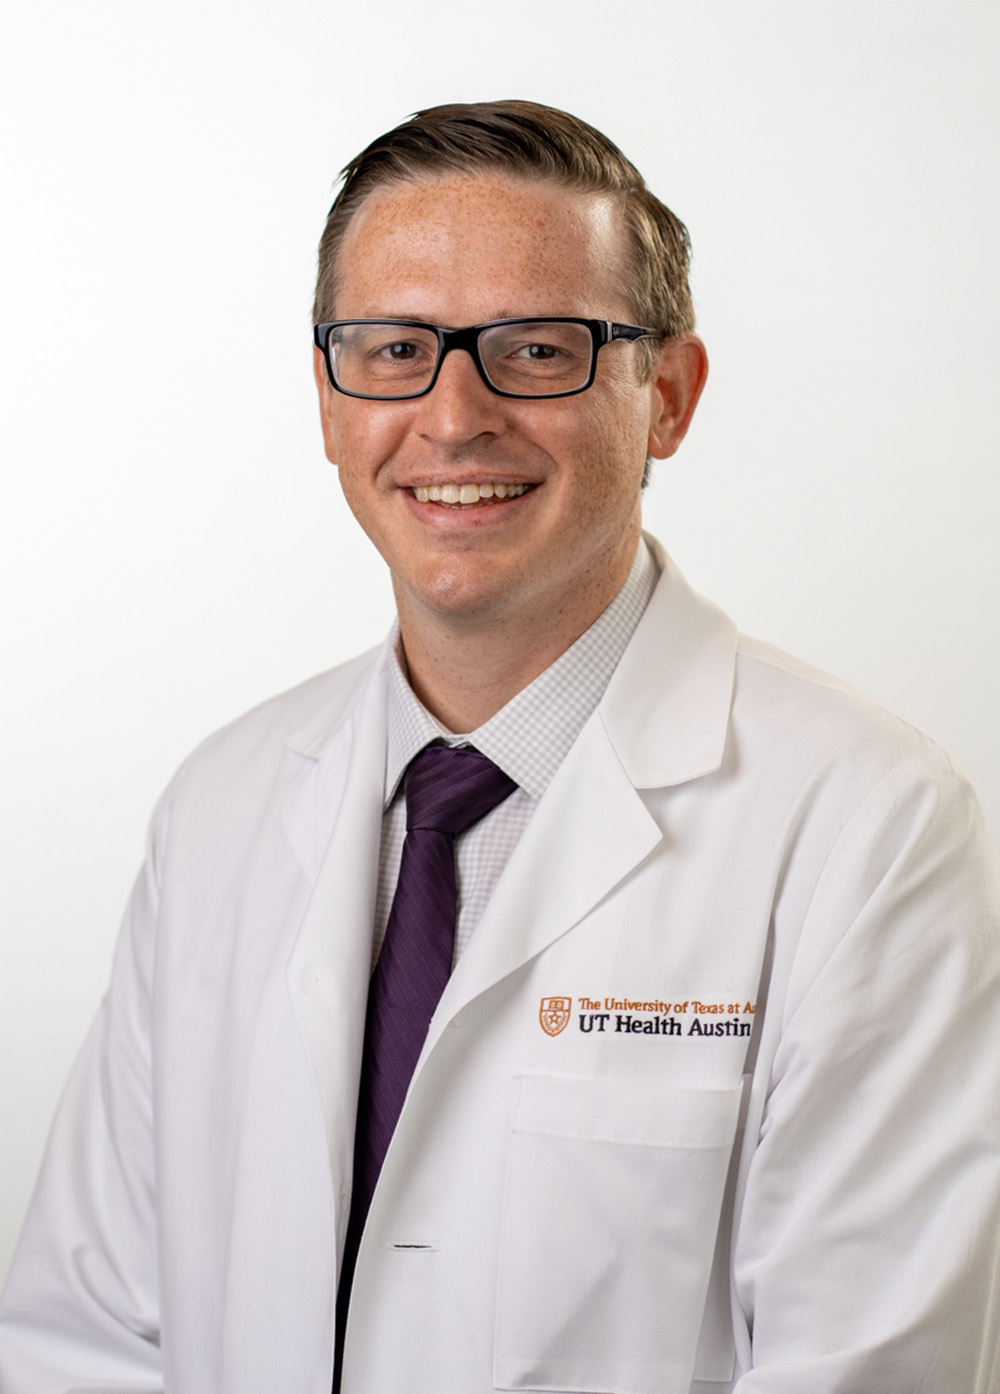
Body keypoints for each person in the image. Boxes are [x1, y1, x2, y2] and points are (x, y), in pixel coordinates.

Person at [1, 99, 999, 1394]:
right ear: (326, 397)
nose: (454, 414)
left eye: (538, 347)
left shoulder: (869, 825)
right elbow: (84, 1341)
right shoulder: (220, 807)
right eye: (394, 347)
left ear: (671, 397)